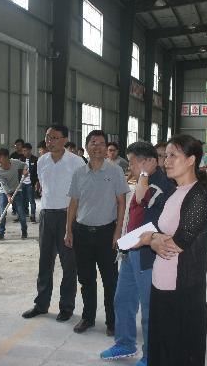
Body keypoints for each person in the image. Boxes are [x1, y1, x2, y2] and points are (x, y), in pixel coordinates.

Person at [133, 135, 207, 366]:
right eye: (165, 156)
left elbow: (177, 243)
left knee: (179, 352)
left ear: (191, 160)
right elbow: (163, 232)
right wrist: (154, 238)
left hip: (182, 290)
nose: (166, 161)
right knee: (161, 349)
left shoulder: (198, 196)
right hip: (162, 283)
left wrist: (149, 239)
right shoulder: (176, 191)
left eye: (172, 155)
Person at [100, 142, 175, 366]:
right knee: (123, 300)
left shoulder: (162, 184)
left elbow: (142, 198)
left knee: (149, 308)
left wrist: (143, 173)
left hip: (148, 256)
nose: (129, 167)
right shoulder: (144, 179)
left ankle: (151, 355)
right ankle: (124, 343)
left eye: (132, 162)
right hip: (131, 250)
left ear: (147, 162)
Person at [65, 130, 130, 335]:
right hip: (82, 233)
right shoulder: (78, 173)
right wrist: (68, 231)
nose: (97, 147)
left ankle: (112, 321)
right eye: (93, 143)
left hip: (106, 233)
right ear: (86, 147)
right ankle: (88, 317)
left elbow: (121, 203)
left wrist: (118, 232)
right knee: (86, 279)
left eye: (101, 143)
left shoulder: (115, 171)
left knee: (111, 280)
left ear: (106, 148)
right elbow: (73, 204)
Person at [22, 124, 84, 322]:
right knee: (45, 263)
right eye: (48, 137)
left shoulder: (76, 162)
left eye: (55, 138)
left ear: (65, 140)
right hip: (46, 215)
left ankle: (66, 307)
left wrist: (73, 223)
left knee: (69, 264)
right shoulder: (42, 161)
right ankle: (41, 304)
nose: (50, 141)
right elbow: (43, 187)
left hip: (68, 216)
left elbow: (82, 192)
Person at [0, 148, 29, 240]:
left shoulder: (15, 162)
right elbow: (3, 184)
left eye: (0, 158)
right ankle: (1, 233)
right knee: (3, 212)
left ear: (7, 157)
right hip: (4, 192)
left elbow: (25, 164)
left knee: (21, 212)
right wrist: (8, 195)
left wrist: (25, 170)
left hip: (17, 190)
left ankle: (24, 231)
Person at [19, 143, 38, 223]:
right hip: (22, 183)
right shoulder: (21, 159)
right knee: (23, 200)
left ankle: (33, 215)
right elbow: (19, 170)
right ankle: (23, 214)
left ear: (30, 150)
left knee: (31, 200)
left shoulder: (35, 159)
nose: (24, 152)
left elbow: (37, 172)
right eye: (23, 151)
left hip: (31, 183)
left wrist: (37, 182)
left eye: (25, 150)